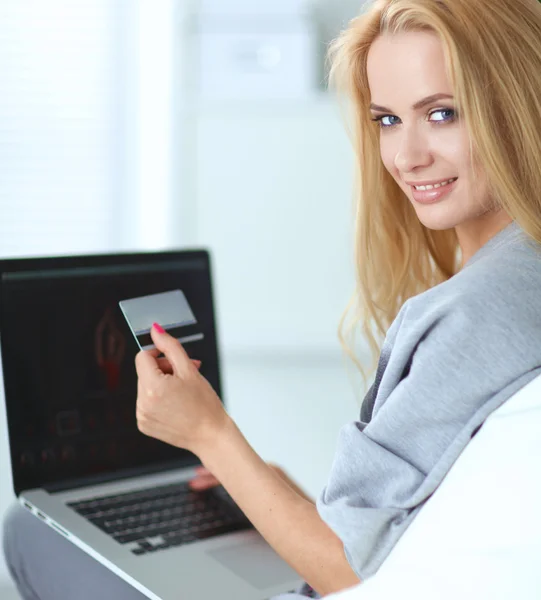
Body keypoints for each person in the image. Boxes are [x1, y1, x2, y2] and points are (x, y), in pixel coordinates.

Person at [4, 0, 541, 598]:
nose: (406, 156)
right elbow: (404, 542)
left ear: (514, 103)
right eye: (387, 120)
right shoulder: (523, 276)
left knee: (28, 528)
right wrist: (266, 490)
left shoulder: (472, 312)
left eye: (441, 113)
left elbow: (351, 574)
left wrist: (209, 434)